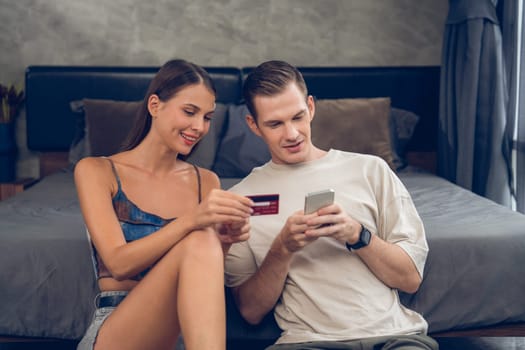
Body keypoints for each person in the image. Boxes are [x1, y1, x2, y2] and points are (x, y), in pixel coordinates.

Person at [224, 60, 439, 350]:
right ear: (254, 125)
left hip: (394, 337)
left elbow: (410, 279)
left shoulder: (371, 170)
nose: (291, 134)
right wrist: (283, 248)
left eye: (297, 117)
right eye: (275, 124)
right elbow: (250, 311)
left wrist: (357, 234)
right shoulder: (243, 199)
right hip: (308, 342)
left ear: (311, 107)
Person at [75, 59, 253, 350]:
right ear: (155, 105)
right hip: (119, 327)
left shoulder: (206, 182)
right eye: (189, 111)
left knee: (203, 240)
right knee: (198, 236)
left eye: (207, 117)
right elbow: (118, 264)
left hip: (183, 332)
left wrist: (225, 243)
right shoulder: (97, 171)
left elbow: (203, 279)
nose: (199, 127)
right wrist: (192, 221)